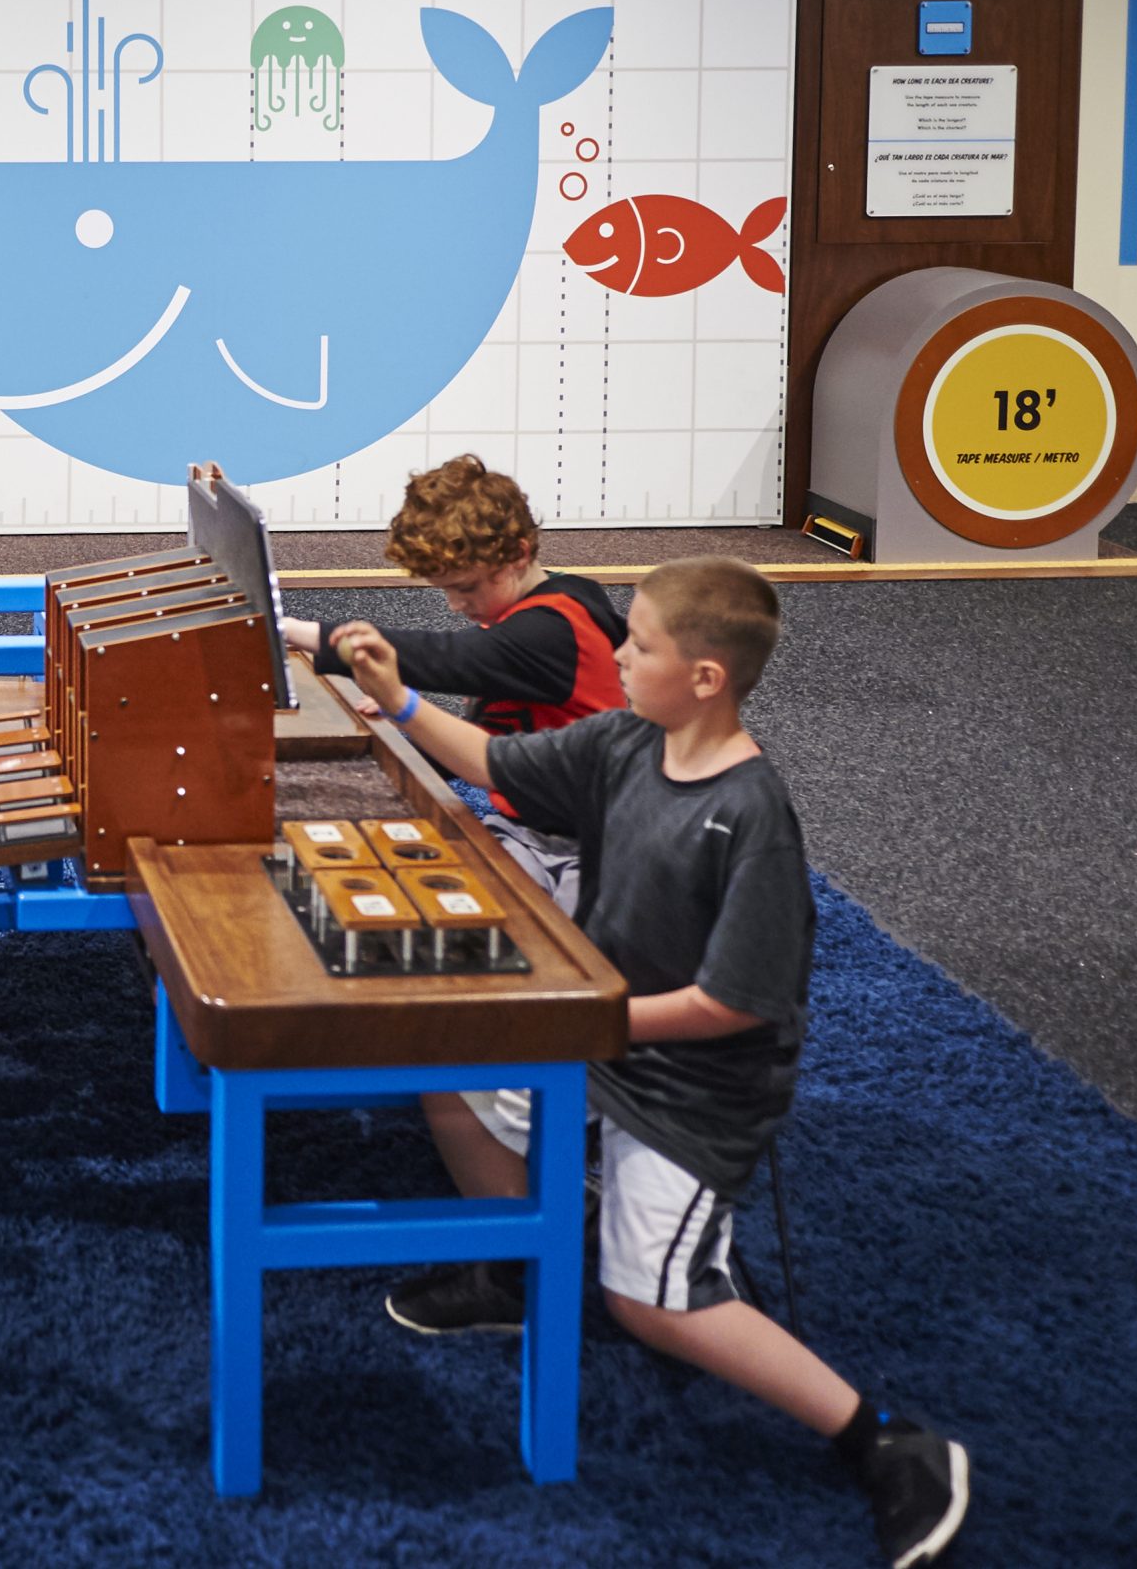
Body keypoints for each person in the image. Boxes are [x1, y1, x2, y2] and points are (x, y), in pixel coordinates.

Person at [332, 558, 970, 1569]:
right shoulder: (627, 742)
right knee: (444, 1057)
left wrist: (586, 1018)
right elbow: (496, 765)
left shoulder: (750, 815)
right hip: (605, 1042)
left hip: (692, 1093)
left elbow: (732, 1005)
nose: (615, 655)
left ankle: (889, 1440)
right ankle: (513, 1266)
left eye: (638, 644)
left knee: (651, 1302)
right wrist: (396, 696)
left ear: (706, 677)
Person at [295, 455, 626, 1173]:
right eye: (446, 590)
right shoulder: (559, 606)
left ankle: (545, 1120)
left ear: (520, 553)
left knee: (435, 933)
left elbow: (440, 660)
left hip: (587, 851)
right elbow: (503, 722)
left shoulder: (550, 630)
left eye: (469, 587)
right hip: (537, 826)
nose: (459, 605)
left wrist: (298, 632)